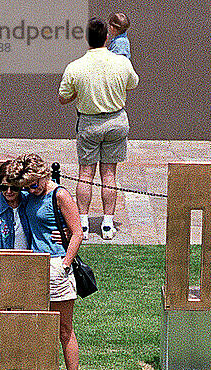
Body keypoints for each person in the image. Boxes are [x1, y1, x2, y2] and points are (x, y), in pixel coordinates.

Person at [0, 154, 84, 370]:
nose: (25, 190)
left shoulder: (59, 194)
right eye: (24, 186)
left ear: (45, 176)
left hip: (57, 266)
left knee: (63, 329)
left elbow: (77, 230)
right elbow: (1, 202)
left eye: (31, 185)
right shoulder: (24, 197)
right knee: (28, 330)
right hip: (30, 271)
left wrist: (66, 263)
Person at [58, 17, 139, 240]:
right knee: (109, 174)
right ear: (106, 38)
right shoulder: (121, 62)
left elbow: (63, 98)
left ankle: (82, 223)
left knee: (85, 174)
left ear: (87, 39)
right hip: (116, 122)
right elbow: (132, 84)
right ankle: (107, 224)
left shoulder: (75, 67)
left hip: (89, 123)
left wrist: (79, 93)